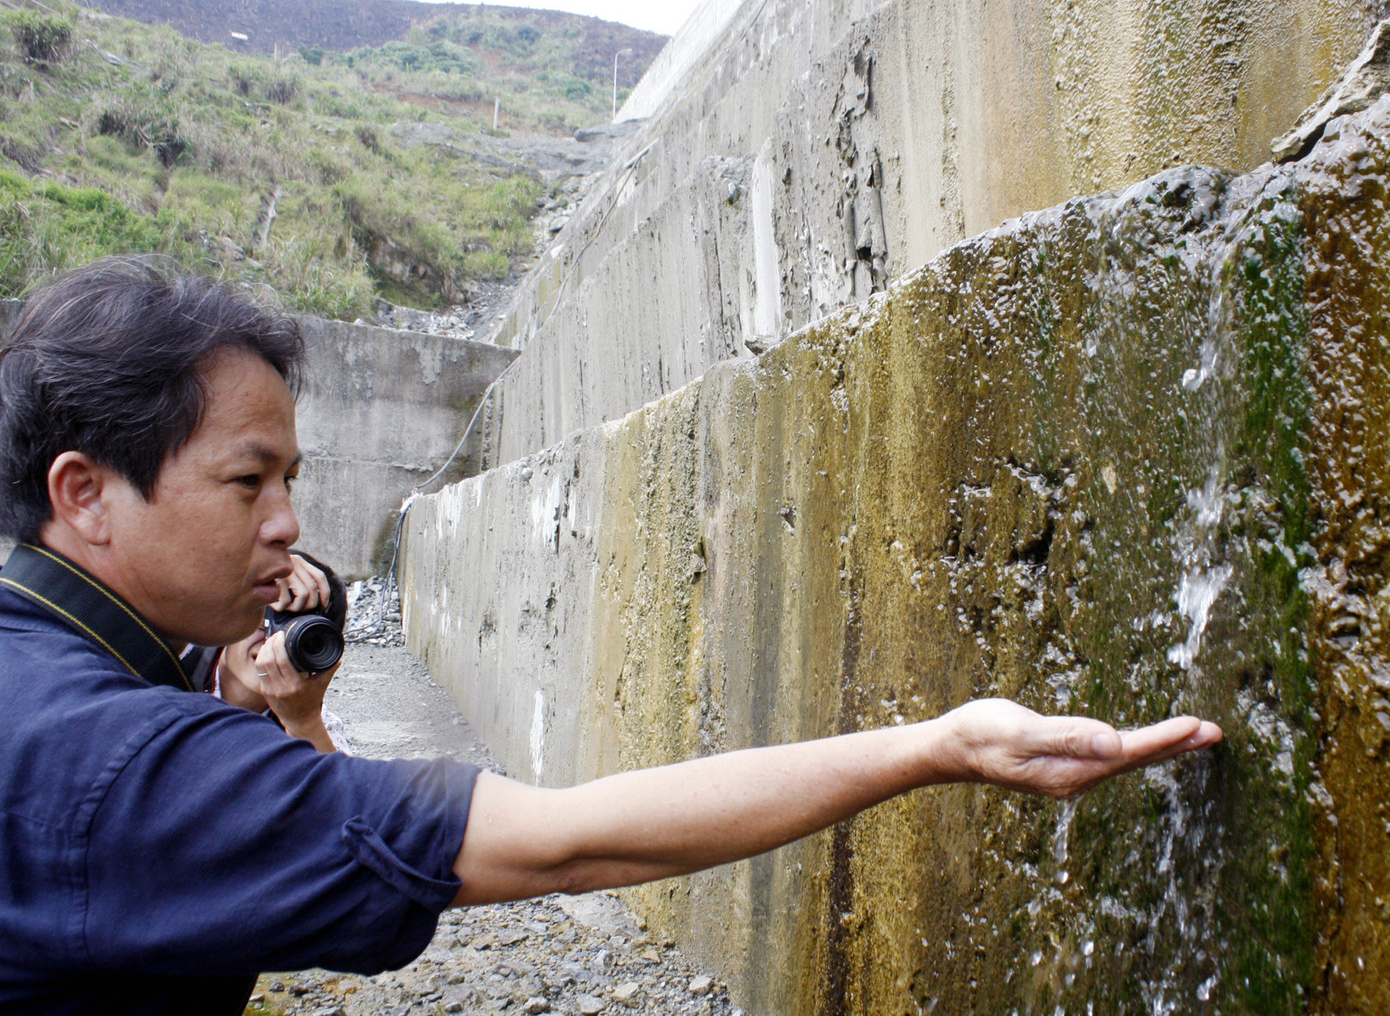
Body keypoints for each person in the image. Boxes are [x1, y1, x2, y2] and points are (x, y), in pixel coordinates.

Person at [0, 257, 1223, 1014]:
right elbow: (570, 845)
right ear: (85, 491)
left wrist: (292, 721)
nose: (290, 525)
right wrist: (936, 744)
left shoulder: (56, 673)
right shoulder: (120, 769)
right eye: (248, 482)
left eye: (291, 479)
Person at [215, 549, 353, 754]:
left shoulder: (314, 724)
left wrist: (305, 726)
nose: (274, 643)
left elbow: (338, 786)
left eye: (299, 634)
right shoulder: (173, 672)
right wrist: (251, 565)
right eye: (266, 620)